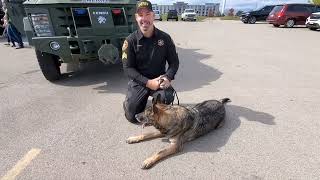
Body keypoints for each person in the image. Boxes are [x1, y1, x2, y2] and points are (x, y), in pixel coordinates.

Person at [122, 0, 179, 124]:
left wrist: (168, 77)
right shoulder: (130, 41)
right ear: (136, 18)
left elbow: (174, 62)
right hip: (139, 81)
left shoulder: (165, 38)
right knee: (132, 116)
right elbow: (128, 68)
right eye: (141, 15)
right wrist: (148, 82)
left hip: (159, 80)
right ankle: (132, 101)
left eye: (147, 14)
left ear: (153, 16)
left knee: (166, 97)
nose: (144, 18)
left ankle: (155, 106)